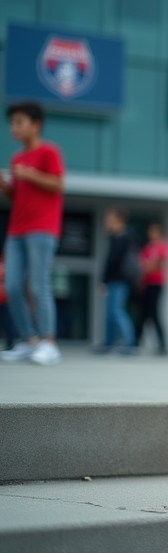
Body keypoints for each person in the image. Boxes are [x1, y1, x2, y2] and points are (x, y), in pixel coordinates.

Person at [1, 101, 64, 366]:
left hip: (42, 229)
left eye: (19, 122)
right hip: (16, 229)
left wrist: (30, 174)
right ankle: (30, 341)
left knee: (39, 285)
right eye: (12, 123)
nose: (14, 127)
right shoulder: (17, 158)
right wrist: (6, 186)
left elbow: (58, 183)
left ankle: (49, 343)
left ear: (35, 125)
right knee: (12, 285)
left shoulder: (49, 152)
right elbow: (18, 196)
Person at [95, 208, 139, 355]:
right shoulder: (119, 237)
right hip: (115, 280)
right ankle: (109, 344)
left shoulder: (123, 237)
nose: (108, 224)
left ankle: (129, 345)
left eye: (111, 221)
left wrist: (104, 279)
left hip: (120, 280)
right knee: (110, 313)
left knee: (117, 312)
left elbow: (113, 261)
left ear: (120, 220)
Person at [137, 221, 168, 355]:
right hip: (146, 283)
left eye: (153, 231)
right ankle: (135, 341)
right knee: (144, 313)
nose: (151, 234)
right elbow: (141, 264)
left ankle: (162, 344)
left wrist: (148, 266)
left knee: (153, 313)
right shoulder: (147, 247)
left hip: (157, 283)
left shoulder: (162, 245)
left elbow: (158, 263)